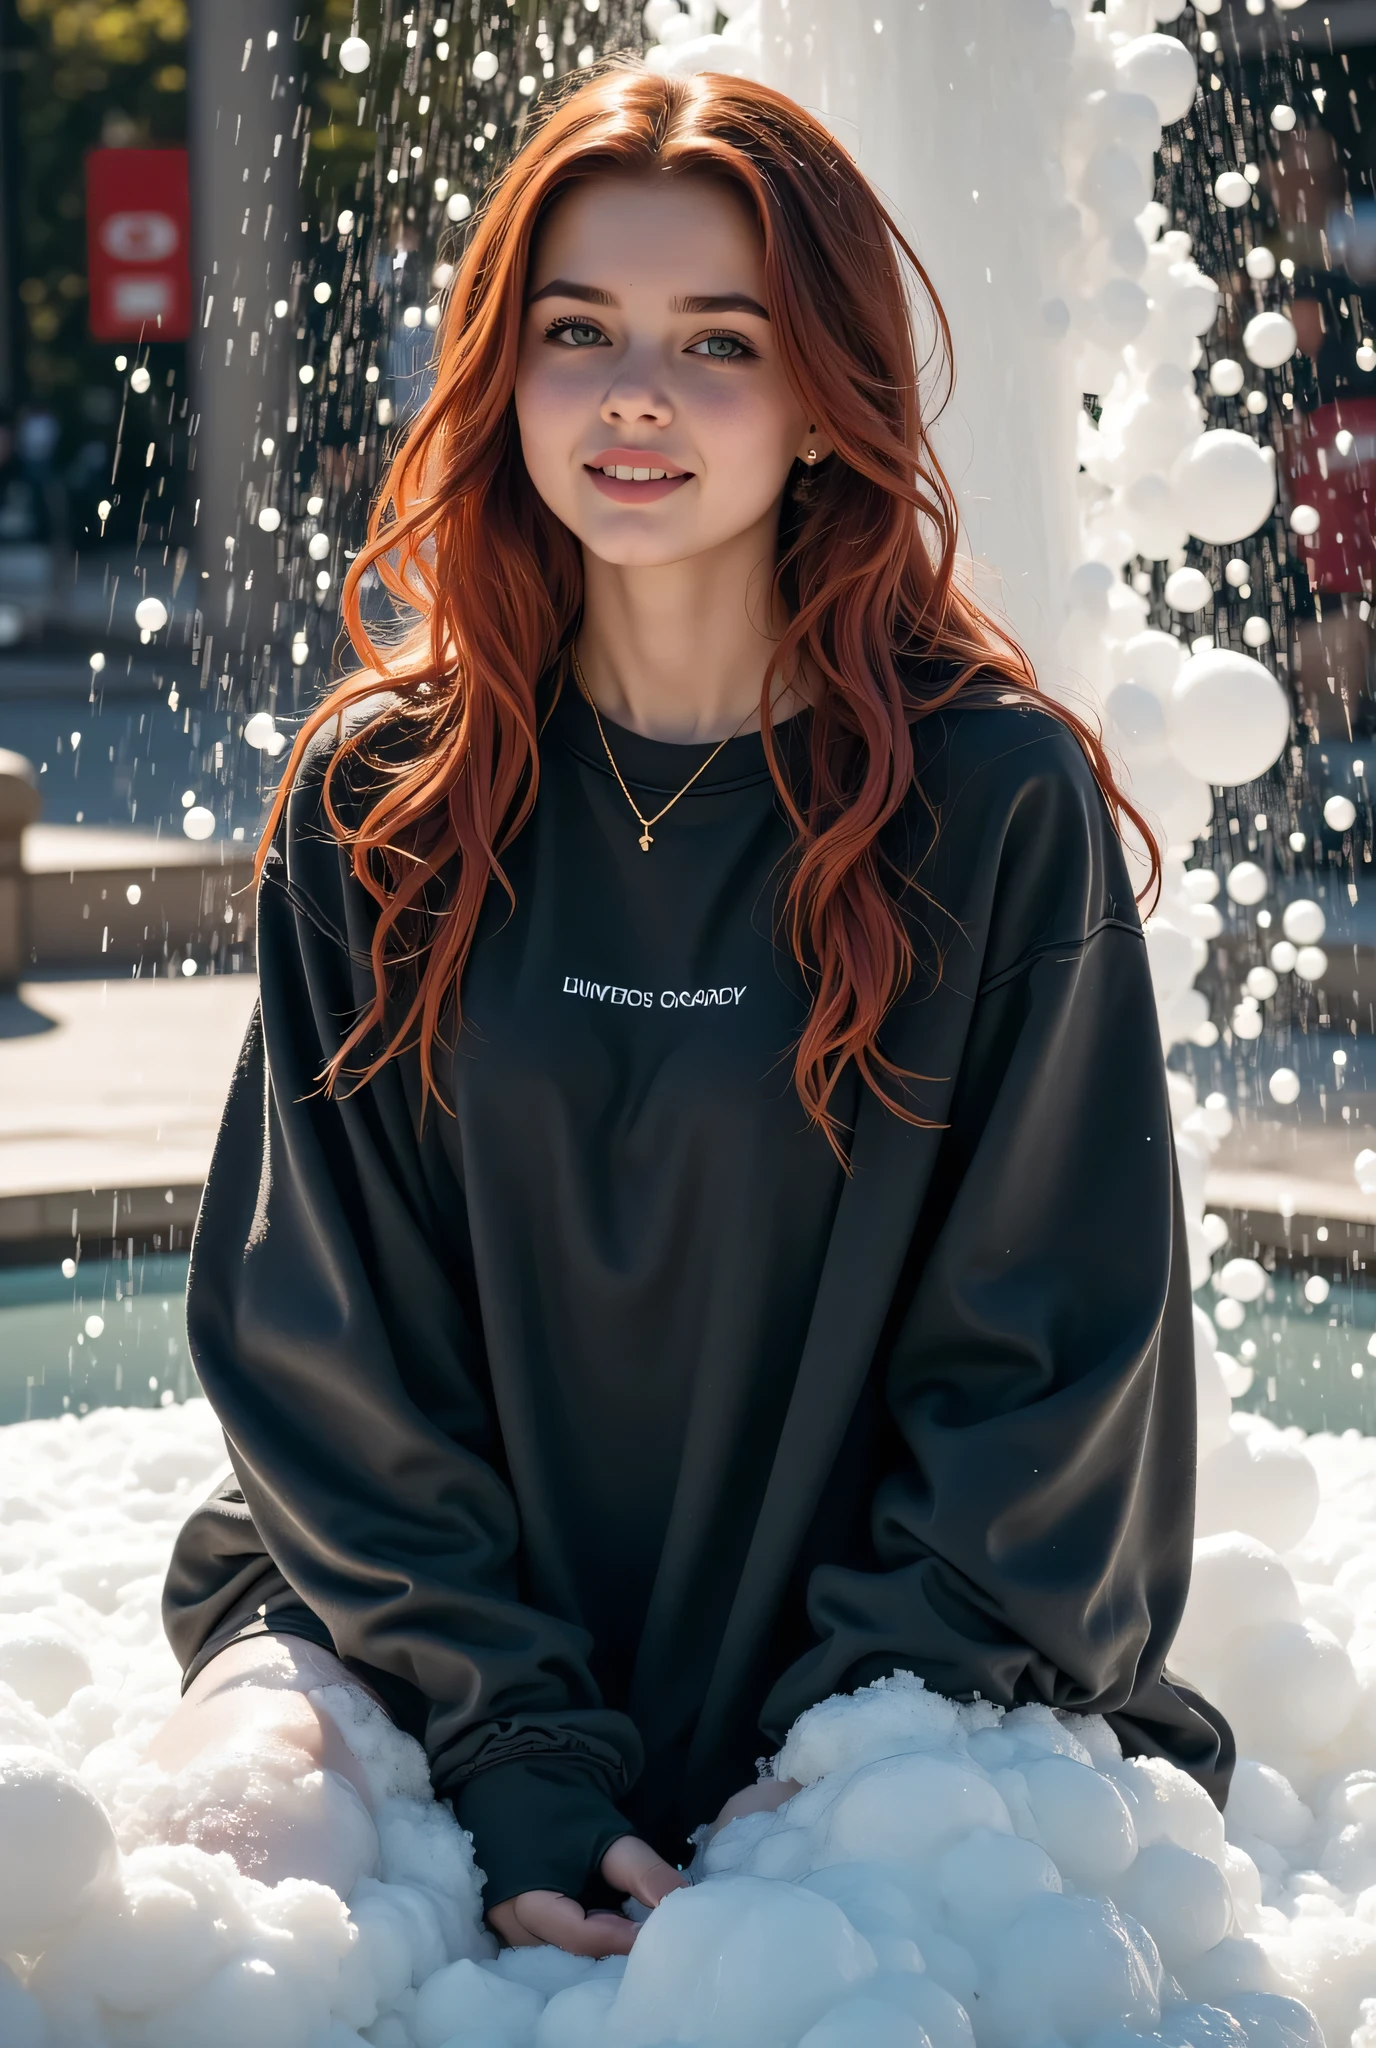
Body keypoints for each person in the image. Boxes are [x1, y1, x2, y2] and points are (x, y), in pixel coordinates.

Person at [156, 64, 1234, 1959]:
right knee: (215, 1930)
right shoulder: (376, 800)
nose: (634, 392)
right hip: (414, 1644)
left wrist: (844, 1748)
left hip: (879, 1684)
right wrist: (507, 1736)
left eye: (715, 339)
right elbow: (322, 1347)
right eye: (578, 331)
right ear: (505, 373)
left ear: (825, 396)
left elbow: (1047, 1363)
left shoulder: (990, 805)